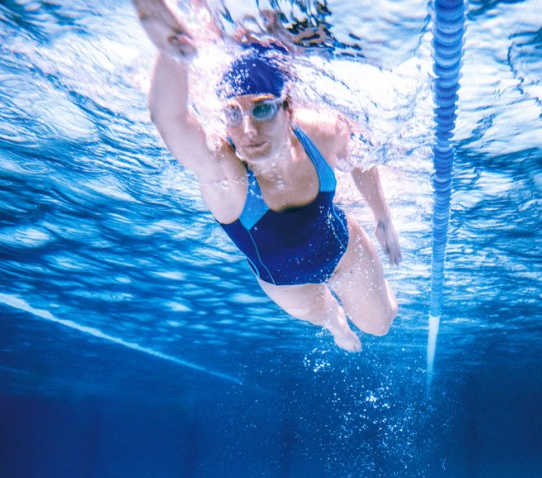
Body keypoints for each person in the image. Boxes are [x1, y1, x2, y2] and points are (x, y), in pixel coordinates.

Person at [133, 0, 400, 352]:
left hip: (342, 250)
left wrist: (383, 216)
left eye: (262, 108)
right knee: (326, 316)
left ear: (289, 111)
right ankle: (336, 325)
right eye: (232, 113)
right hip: (285, 283)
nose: (247, 130)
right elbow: (170, 120)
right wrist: (175, 51)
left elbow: (360, 157)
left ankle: (350, 311)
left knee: (380, 326)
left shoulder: (320, 132)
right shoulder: (225, 172)